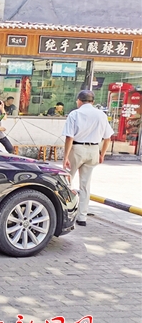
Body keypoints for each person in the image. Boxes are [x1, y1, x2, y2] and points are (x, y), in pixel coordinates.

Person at [62, 90, 114, 226]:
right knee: (85, 185)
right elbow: (108, 138)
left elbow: (69, 137)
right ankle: (82, 217)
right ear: (93, 101)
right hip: (93, 150)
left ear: (79, 100)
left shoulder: (75, 114)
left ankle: (65, 212)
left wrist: (65, 157)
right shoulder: (101, 115)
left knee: (66, 181)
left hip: (77, 149)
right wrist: (102, 154)